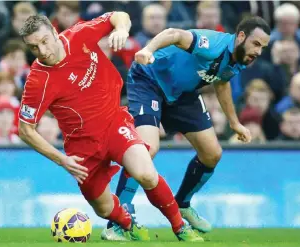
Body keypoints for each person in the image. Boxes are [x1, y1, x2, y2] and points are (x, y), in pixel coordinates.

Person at [17, 12, 201, 242]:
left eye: (45, 41)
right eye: (34, 48)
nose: (43, 51)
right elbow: (25, 129)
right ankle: (126, 224)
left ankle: (179, 226)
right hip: (82, 147)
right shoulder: (37, 81)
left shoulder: (79, 35)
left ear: (54, 32)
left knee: (146, 174)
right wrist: (62, 159)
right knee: (103, 209)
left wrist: (122, 29)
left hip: (114, 122)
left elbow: (119, 15)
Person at [103, 16, 271, 238]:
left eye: (263, 47)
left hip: (182, 94)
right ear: (241, 36)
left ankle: (182, 202)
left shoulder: (239, 59)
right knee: (146, 150)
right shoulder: (213, 44)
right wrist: (148, 49)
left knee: (212, 154)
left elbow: (221, 82)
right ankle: (116, 221)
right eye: (256, 44)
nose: (258, 52)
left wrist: (234, 122)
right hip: (149, 81)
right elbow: (174, 34)